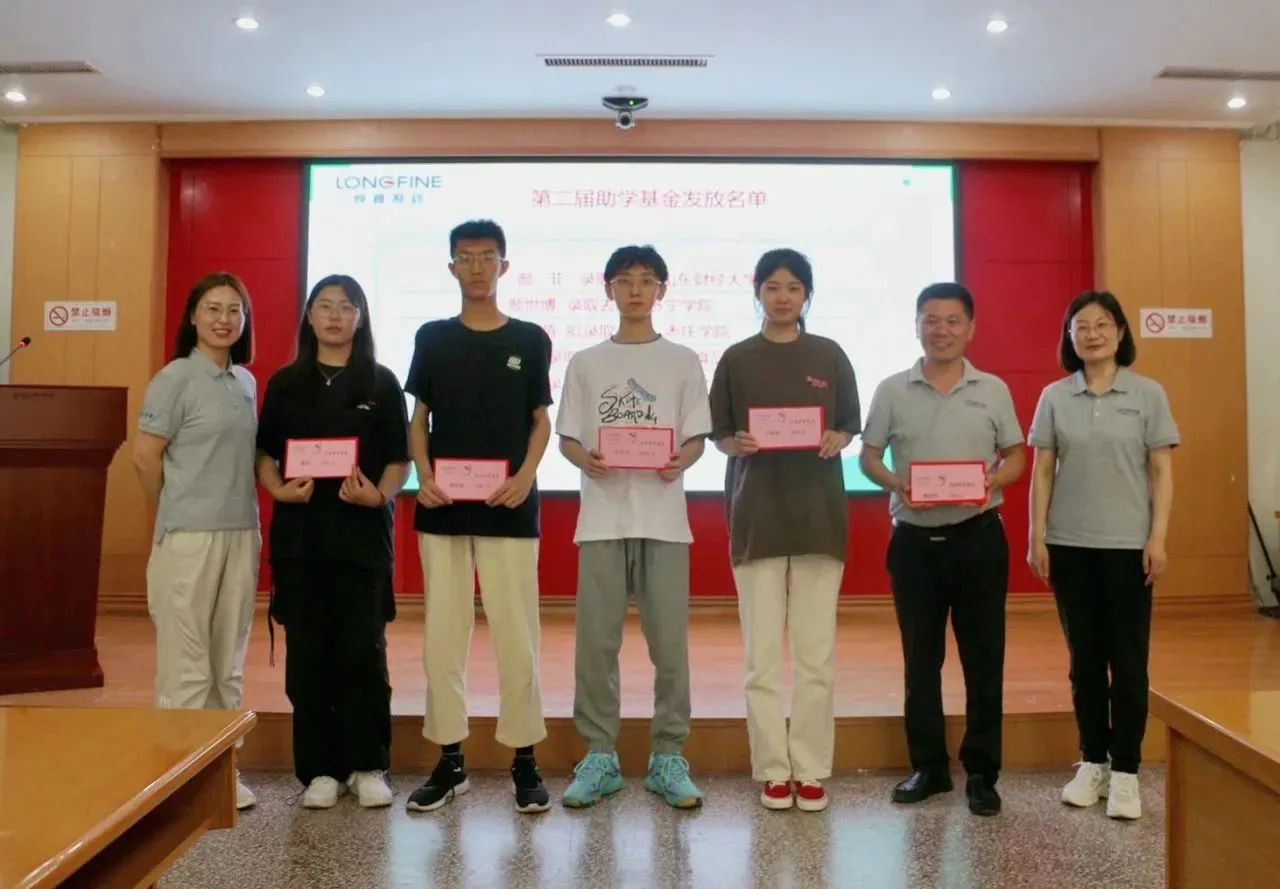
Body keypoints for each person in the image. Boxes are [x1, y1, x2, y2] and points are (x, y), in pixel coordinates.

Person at [404, 219, 553, 814]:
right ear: (451, 267)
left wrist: (526, 477)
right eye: (465, 257)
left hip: (509, 505)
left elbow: (540, 420)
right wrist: (424, 476)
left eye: (486, 256)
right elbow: (419, 420)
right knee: (443, 637)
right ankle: (450, 761)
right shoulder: (433, 337)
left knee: (518, 636)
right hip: (443, 506)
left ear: (503, 266)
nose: (475, 266)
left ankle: (524, 760)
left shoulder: (530, 338)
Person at [859, 282, 1024, 817]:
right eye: (931, 320)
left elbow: (1017, 456)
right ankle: (928, 767)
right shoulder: (892, 389)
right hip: (914, 543)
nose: (942, 330)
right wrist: (896, 483)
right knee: (920, 659)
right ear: (916, 326)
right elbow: (868, 456)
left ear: (970, 327)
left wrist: (991, 481)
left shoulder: (993, 389)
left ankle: (982, 772)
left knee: (984, 659)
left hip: (978, 538)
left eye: (953, 320)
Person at [555, 245, 711, 809]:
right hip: (602, 519)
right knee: (596, 646)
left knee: (669, 646)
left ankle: (668, 755)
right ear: (609, 290)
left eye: (647, 280)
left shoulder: (683, 360)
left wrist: (682, 459)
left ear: (662, 290)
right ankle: (599, 755)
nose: (636, 290)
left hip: (665, 521)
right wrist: (584, 459)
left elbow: (695, 437)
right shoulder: (586, 362)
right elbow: (568, 437)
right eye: (625, 280)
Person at [709, 248, 860, 813]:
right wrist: (735, 443)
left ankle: (812, 768)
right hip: (757, 518)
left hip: (818, 519)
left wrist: (839, 438)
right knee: (762, 659)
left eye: (793, 287)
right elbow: (720, 433)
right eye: (772, 286)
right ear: (757, 292)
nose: (782, 297)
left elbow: (848, 424)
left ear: (807, 295)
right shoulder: (736, 358)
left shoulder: (830, 355)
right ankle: (773, 769)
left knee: (816, 655)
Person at [255, 274, 410, 810]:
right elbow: (265, 453)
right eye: (325, 306)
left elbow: (399, 459)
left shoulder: (381, 383)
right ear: (310, 315)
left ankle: (368, 764)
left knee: (362, 651)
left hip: (361, 541)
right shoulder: (285, 383)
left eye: (347, 307)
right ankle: (319, 770)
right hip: (301, 542)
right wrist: (278, 489)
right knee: (308, 654)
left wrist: (380, 495)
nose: (336, 316)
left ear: (361, 317)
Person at [1028, 290, 1177, 821]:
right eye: (1081, 327)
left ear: (1120, 332)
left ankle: (1126, 771)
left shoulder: (1147, 394)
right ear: (1069, 337)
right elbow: (1043, 470)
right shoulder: (1054, 396)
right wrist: (1037, 536)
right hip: (1070, 546)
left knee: (1129, 663)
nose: (1091, 334)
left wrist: (1157, 538)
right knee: (1085, 662)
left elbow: (1161, 471)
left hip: (1127, 548)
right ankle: (1092, 760)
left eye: (1102, 324)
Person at [133, 271, 261, 810]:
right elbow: (145, 458)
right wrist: (176, 507)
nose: (223, 319)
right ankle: (180, 778)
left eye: (234, 310)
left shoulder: (246, 383)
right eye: (213, 308)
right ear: (193, 316)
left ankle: (223, 769)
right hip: (188, 536)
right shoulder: (174, 378)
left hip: (241, 532)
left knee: (227, 662)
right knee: (186, 664)